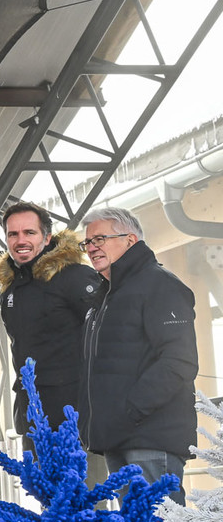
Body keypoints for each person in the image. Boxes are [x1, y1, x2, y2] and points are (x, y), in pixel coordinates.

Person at [81, 206, 198, 502]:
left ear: (130, 240)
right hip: (117, 437)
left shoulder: (159, 285)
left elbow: (179, 361)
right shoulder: (105, 296)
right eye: (88, 242)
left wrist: (131, 410)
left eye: (100, 239)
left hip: (150, 437)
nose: (92, 248)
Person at [0, 200, 103, 446]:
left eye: (29, 232)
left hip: (76, 417)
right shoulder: (8, 288)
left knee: (82, 474)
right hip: (33, 416)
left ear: (47, 237)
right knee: (36, 474)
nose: (21, 240)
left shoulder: (75, 276)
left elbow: (107, 337)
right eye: (13, 234)